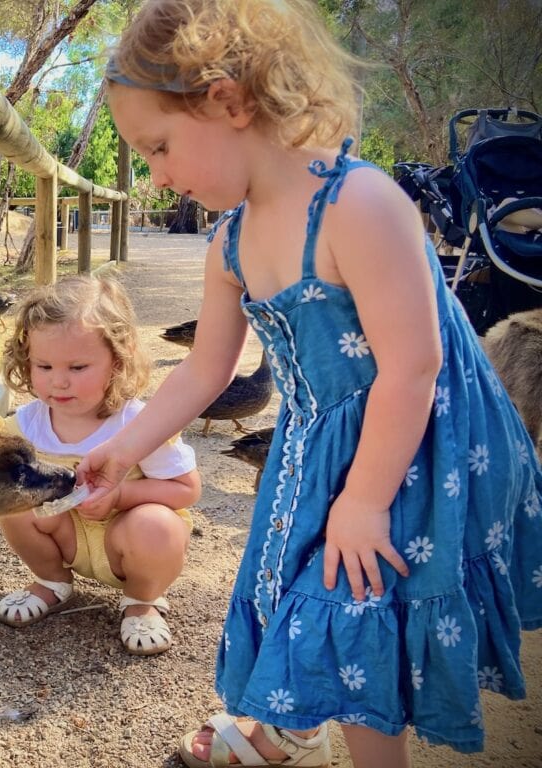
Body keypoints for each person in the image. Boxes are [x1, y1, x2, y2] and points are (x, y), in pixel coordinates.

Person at [76, 0, 542, 765]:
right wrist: (124, 449)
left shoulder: (359, 205)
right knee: (327, 605)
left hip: (406, 451)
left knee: (358, 605)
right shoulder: (229, 241)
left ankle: (316, 737)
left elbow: (414, 365)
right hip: (315, 457)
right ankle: (288, 721)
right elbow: (205, 367)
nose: (157, 175)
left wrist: (363, 500)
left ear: (225, 101)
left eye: (158, 148)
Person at [0, 275, 201, 656]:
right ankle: (52, 581)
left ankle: (142, 599)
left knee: (157, 525)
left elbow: (187, 489)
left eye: (77, 367)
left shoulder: (141, 424)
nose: (59, 382)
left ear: (117, 361)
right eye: (43, 366)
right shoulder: (24, 426)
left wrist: (122, 494)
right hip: (65, 537)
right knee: (11, 500)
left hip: (127, 540)